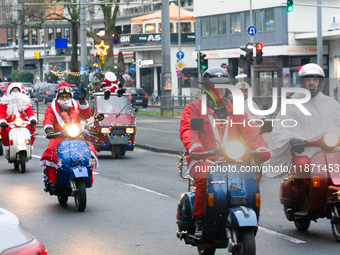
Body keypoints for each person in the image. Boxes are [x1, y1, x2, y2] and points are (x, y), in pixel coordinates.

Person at [179, 67, 271, 238]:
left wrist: (260, 147)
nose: (218, 88)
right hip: (204, 158)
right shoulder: (194, 108)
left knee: (251, 177)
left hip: (234, 159)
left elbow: (250, 130)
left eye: (222, 84)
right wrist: (196, 148)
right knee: (205, 177)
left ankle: (248, 213)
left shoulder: (236, 109)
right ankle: (200, 218)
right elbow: (188, 130)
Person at [266, 63, 340, 178]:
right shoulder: (291, 104)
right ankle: (308, 195)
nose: (311, 82)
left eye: (315, 79)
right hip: (304, 153)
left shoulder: (332, 104)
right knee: (304, 167)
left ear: (320, 82)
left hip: (331, 152)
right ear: (302, 82)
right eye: (308, 79)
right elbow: (281, 128)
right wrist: (293, 140)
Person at [40, 82, 98, 190]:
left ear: (71, 96)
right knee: (52, 151)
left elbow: (87, 115)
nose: (65, 99)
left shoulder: (76, 104)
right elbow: (48, 118)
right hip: (58, 136)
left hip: (75, 135)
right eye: (62, 96)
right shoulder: (52, 107)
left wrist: (83, 102)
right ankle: (52, 180)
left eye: (67, 96)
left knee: (90, 150)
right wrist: (49, 129)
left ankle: (88, 178)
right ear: (58, 97)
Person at [0, 83, 37, 157]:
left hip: (23, 121)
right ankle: (8, 147)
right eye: (13, 90)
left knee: (32, 128)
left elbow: (29, 111)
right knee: (4, 130)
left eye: (17, 90)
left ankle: (29, 146)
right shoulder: (5, 102)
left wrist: (32, 119)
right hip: (10, 122)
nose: (15, 92)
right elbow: (2, 113)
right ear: (10, 92)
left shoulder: (24, 101)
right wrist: (2, 121)